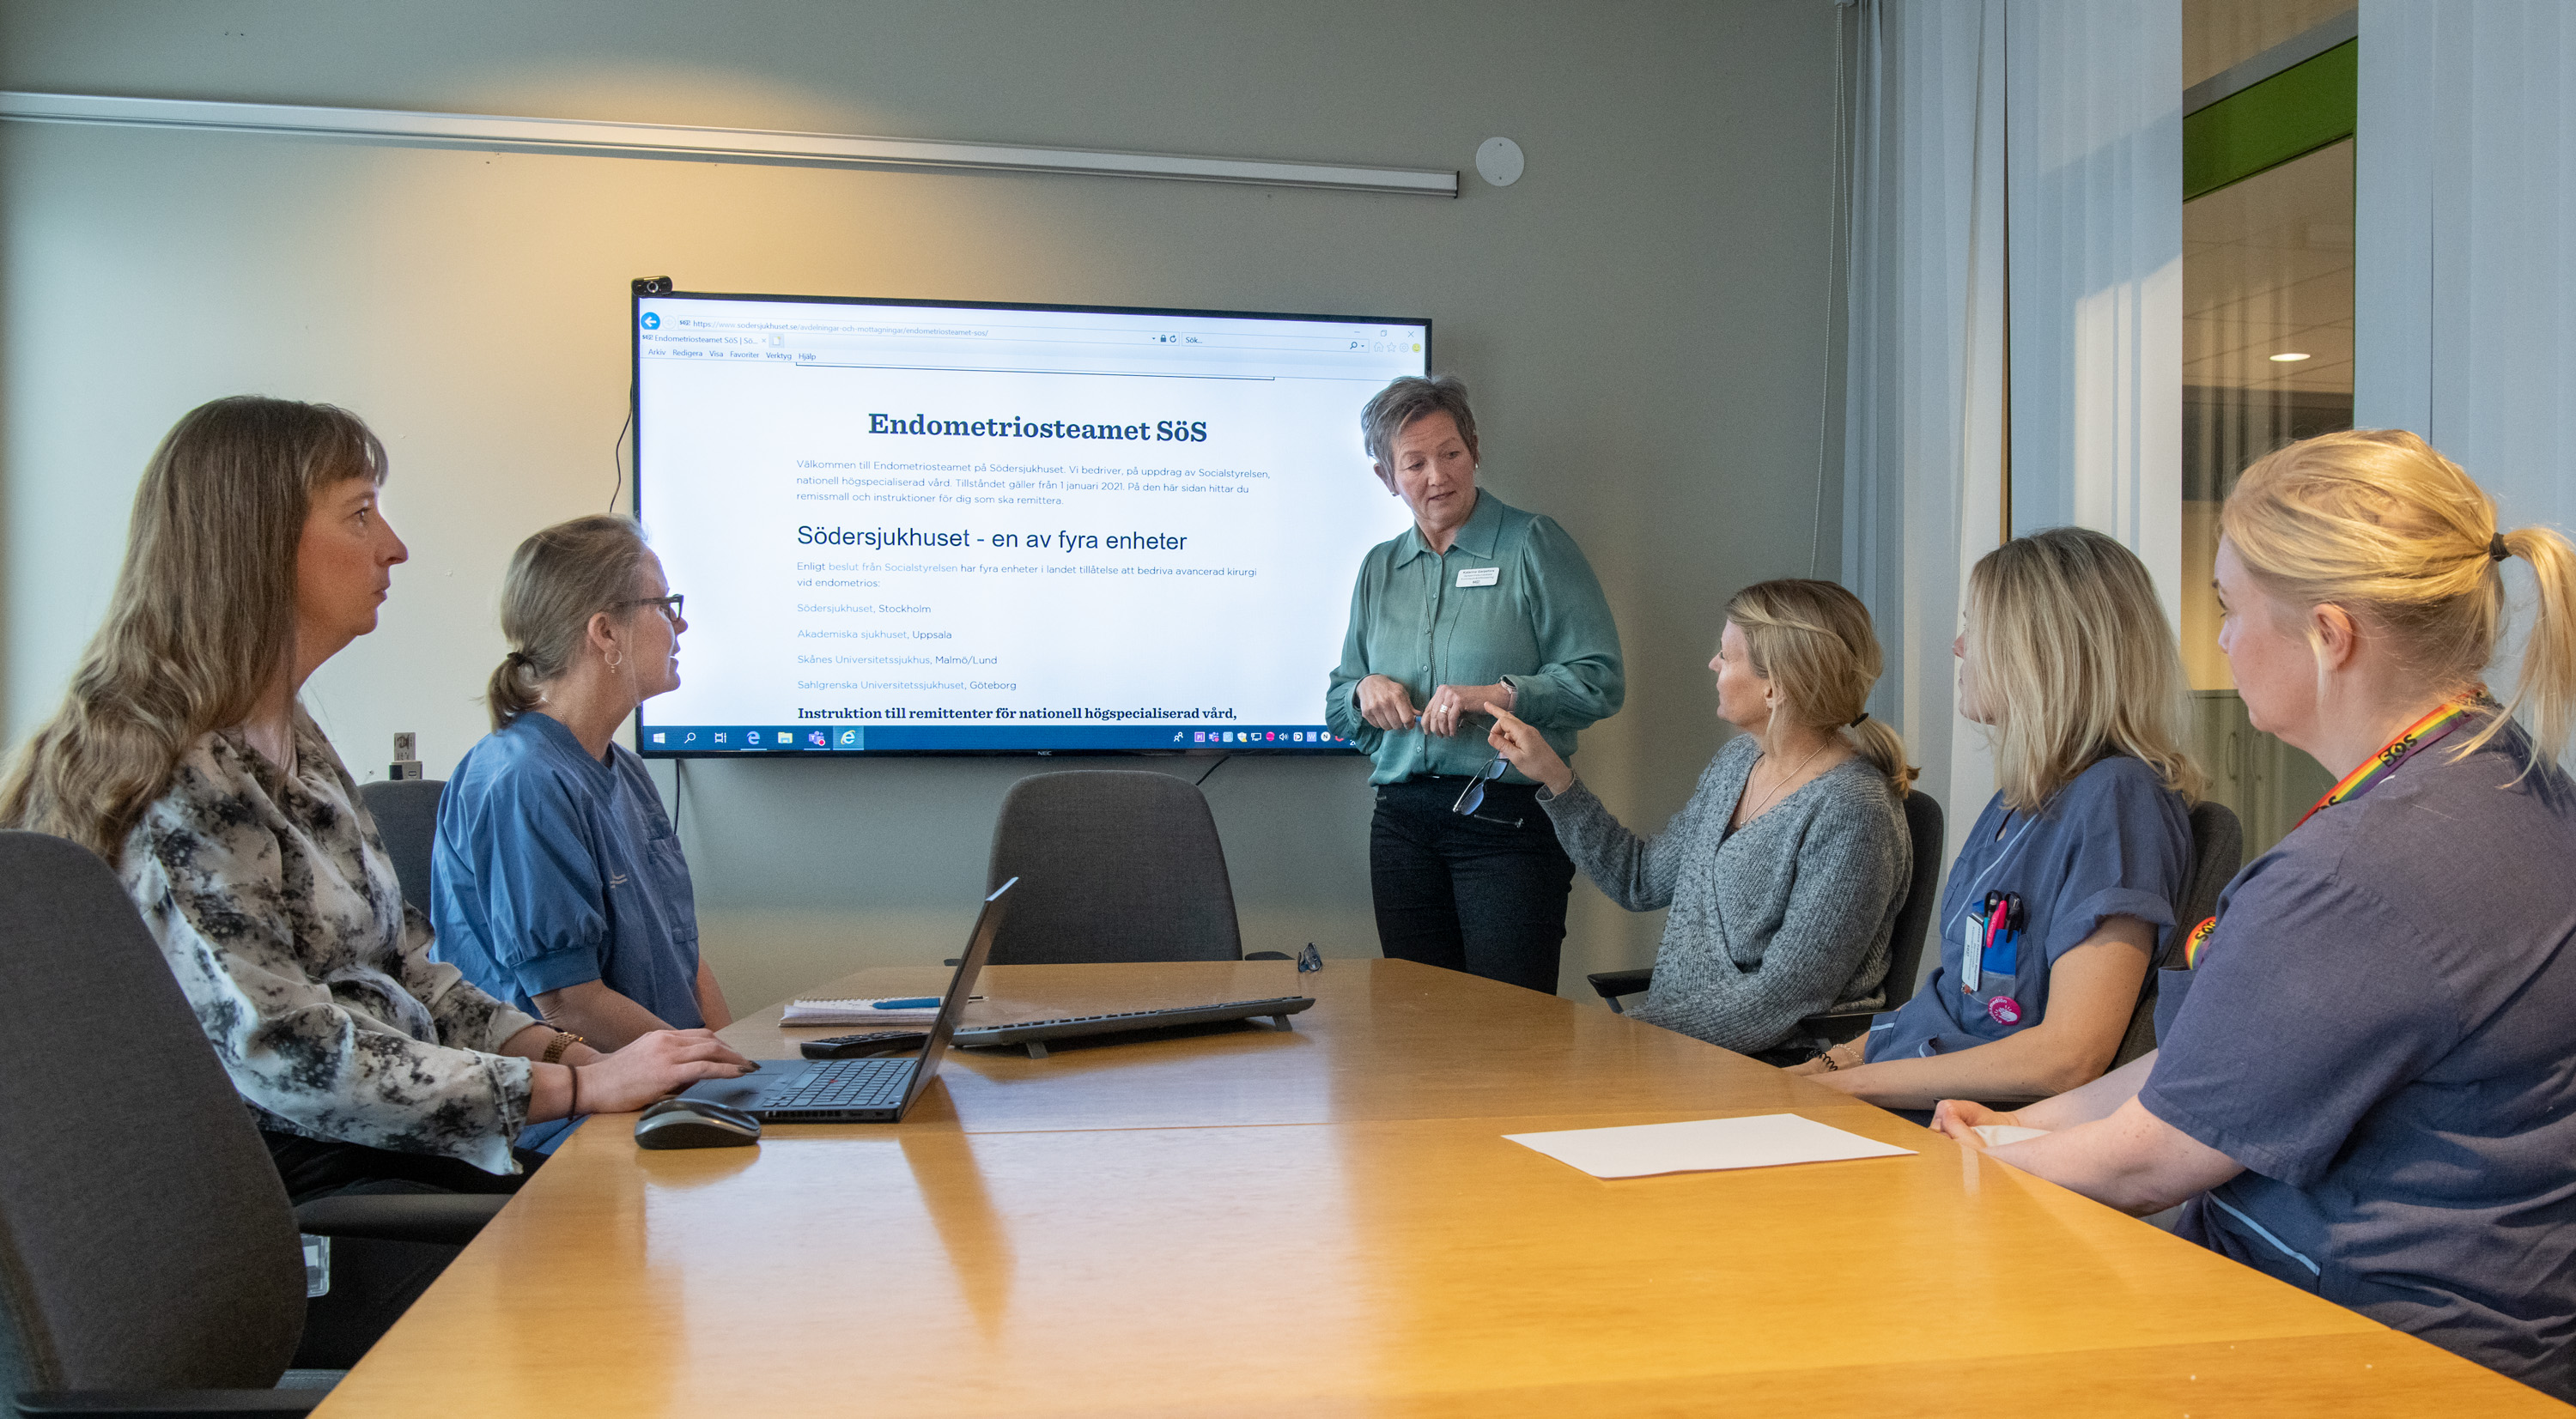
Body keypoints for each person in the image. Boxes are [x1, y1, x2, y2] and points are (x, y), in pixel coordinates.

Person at [1934, 431, 2576, 1401]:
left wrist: (1975, 1169)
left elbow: (2154, 1158)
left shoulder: (2361, 869)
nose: (2222, 643)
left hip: (2362, 1343)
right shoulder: (2507, 780)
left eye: (2231, 612)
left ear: (2329, 637)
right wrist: (2020, 1129)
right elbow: (2224, 1062)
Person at [0, 396, 751, 1202]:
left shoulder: (294, 740)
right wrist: (568, 1090)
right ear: (259, 541)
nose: (393, 547)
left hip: (389, 1153)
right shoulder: (179, 776)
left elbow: (409, 971)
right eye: (361, 515)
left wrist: (574, 1058)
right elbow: (290, 1055)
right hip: (302, 1193)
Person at [1790, 526, 2196, 1110]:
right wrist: (1821, 1068)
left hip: (1969, 1127)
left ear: (2041, 648)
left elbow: (2068, 1056)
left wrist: (1840, 1088)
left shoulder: (2118, 801)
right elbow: (1958, 999)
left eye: (1975, 628)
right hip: (1907, 1088)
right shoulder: (2024, 798)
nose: (1959, 646)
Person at [1485, 579, 1911, 1056]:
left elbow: (1784, 998)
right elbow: (1639, 880)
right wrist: (1556, 778)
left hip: (1777, 1067)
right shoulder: (1735, 765)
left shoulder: (1855, 811)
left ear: (1777, 688)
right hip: (1682, 1052)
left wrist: (1628, 1037)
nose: (1713, 664)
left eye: (1726, 657)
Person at [1325, 375, 1623, 994]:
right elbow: (1339, 702)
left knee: (1509, 1033)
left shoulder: (1532, 544)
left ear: (1476, 449)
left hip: (1507, 820)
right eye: (1415, 462)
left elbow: (1600, 680)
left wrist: (1500, 696)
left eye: (1451, 453)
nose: (1438, 476)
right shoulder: (1379, 567)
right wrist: (1364, 691)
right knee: (1420, 1031)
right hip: (1403, 824)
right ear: (1387, 477)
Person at [431, 515, 729, 1082]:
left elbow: (683, 959)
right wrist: (707, 1067)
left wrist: (736, 1063)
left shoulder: (628, 773)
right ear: (605, 632)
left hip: (664, 1084)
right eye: (665, 605)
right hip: (576, 1107)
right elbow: (569, 1002)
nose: (681, 622)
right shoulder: (523, 781)